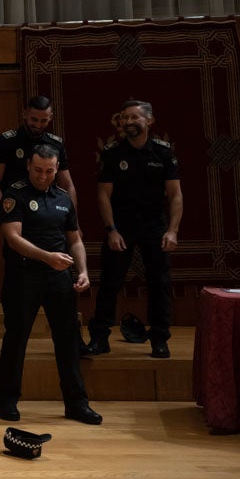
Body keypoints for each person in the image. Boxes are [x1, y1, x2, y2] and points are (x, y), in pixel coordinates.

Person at [0, 145, 102, 425]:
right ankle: (7, 401)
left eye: (49, 171)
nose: (43, 176)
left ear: (57, 170)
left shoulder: (64, 198)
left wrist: (83, 271)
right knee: (16, 338)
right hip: (24, 275)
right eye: (38, 170)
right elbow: (13, 238)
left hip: (59, 277)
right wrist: (47, 257)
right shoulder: (14, 194)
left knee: (68, 340)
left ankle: (76, 404)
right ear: (28, 166)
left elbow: (74, 239)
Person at [87, 100, 183, 358]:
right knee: (110, 282)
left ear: (149, 121)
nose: (128, 122)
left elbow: (175, 195)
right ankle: (99, 338)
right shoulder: (112, 152)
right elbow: (103, 195)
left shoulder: (163, 152)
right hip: (121, 225)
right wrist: (111, 230)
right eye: (124, 117)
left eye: (134, 117)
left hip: (154, 225)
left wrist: (172, 231)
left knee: (159, 283)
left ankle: (159, 339)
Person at [0, 95, 76, 210]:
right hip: (16, 206)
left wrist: (73, 218)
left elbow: (67, 185)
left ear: (50, 117)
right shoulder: (5, 142)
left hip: (48, 207)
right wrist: (4, 212)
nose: (38, 125)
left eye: (43, 121)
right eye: (34, 119)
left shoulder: (56, 144)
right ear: (25, 114)